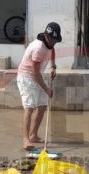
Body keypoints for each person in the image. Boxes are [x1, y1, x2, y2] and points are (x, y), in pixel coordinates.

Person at [17, 22, 61, 150]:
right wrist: (47, 89)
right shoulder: (38, 48)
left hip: (37, 76)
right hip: (27, 77)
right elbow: (35, 73)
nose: (53, 42)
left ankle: (33, 135)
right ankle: (26, 140)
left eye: (55, 40)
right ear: (46, 35)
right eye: (51, 39)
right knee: (29, 107)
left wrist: (53, 66)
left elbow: (52, 50)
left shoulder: (49, 43)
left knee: (42, 106)